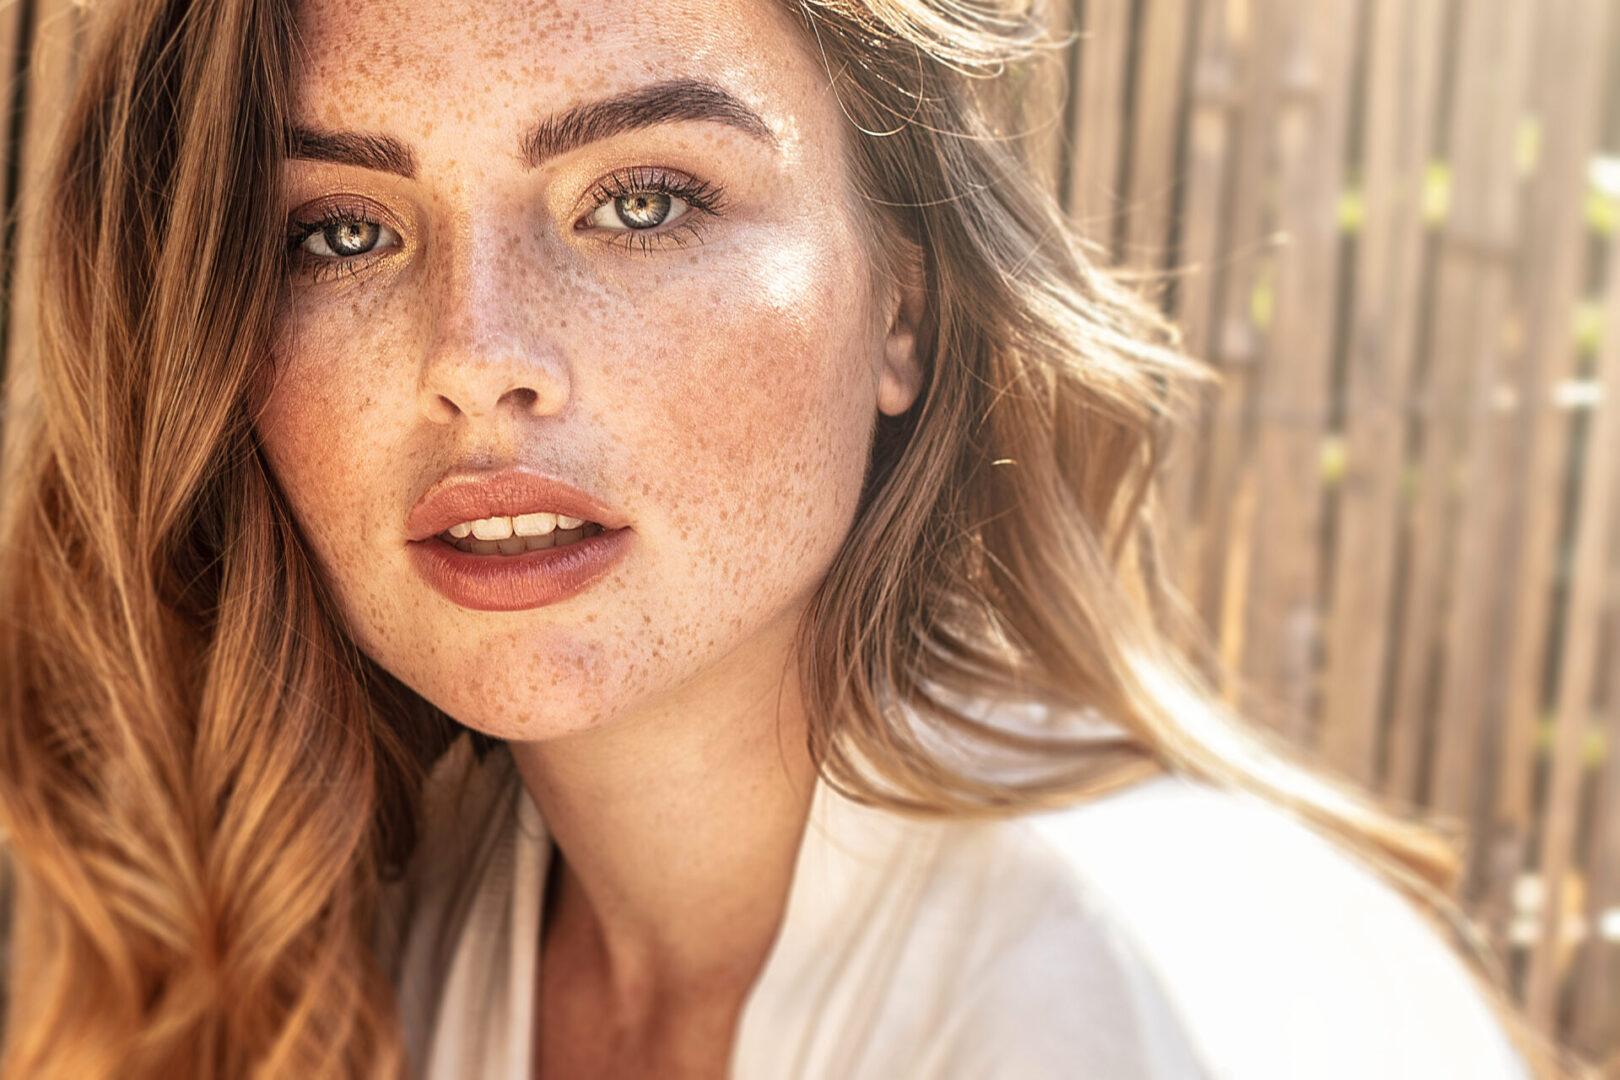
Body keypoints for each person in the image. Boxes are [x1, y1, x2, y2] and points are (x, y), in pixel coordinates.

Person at [0, 0, 1566, 1076]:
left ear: (906, 298)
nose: (475, 355)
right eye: (341, 232)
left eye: (647, 201)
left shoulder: (1110, 981)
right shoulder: (377, 944)